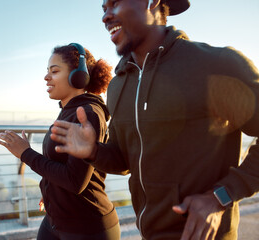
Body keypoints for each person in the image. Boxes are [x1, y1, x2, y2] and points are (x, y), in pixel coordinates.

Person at [49, 0, 259, 239]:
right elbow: (124, 160)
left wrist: (221, 196)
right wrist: (93, 151)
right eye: (103, 8)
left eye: (115, 3)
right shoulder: (118, 84)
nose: (106, 17)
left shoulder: (216, 64)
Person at [0, 43, 121, 240]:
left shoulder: (87, 113)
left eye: (54, 71)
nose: (47, 77)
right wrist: (51, 192)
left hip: (87, 228)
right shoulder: (68, 111)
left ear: (78, 76)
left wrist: (25, 153)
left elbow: (75, 181)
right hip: (56, 220)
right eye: (47, 71)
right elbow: (63, 163)